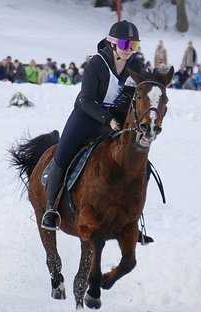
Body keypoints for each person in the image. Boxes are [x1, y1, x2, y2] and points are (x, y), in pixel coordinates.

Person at [41, 20, 146, 232]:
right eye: (126, 45)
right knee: (63, 154)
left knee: (133, 158)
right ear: (113, 44)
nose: (129, 51)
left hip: (113, 123)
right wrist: (108, 119)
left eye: (133, 47)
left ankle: (134, 219)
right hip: (85, 117)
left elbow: (133, 98)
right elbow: (86, 100)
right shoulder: (96, 64)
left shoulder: (133, 68)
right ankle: (51, 209)